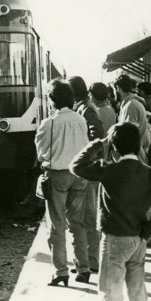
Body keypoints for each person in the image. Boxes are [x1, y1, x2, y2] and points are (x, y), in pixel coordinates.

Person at [70, 122, 151, 301]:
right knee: (137, 291)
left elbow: (76, 166)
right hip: (139, 238)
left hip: (114, 239)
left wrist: (98, 144)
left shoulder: (108, 170)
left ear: (114, 148)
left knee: (110, 293)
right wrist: (149, 230)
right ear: (138, 144)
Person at [34, 79, 91, 286]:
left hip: (57, 176)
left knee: (57, 226)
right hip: (79, 175)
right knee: (78, 223)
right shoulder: (80, 119)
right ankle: (83, 269)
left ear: (51, 101)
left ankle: (61, 272)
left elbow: (41, 154)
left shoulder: (49, 123)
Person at [68, 76, 104, 274]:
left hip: (88, 169)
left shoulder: (86, 109)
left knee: (88, 216)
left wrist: (86, 154)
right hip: (87, 168)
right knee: (84, 216)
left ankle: (92, 261)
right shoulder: (84, 106)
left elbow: (97, 133)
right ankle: (87, 260)